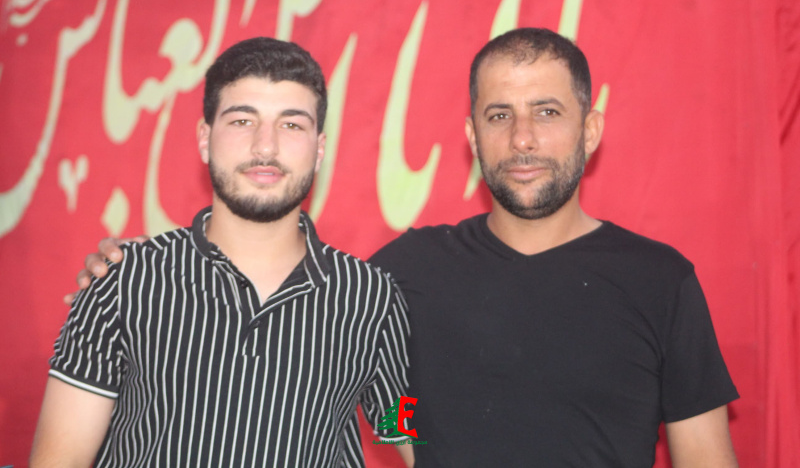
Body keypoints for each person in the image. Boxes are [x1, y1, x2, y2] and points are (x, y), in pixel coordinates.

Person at [74, 28, 739, 467]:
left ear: (590, 130)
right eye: (499, 115)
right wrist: (139, 271)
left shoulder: (661, 281)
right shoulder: (406, 272)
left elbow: (706, 456)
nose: (523, 139)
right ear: (472, 137)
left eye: (548, 111)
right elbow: (332, 345)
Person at [31, 37, 411, 467]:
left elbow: (407, 434)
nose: (265, 147)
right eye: (242, 121)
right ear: (204, 138)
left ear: (319, 149)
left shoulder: (371, 296)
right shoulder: (123, 281)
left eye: (291, 125)